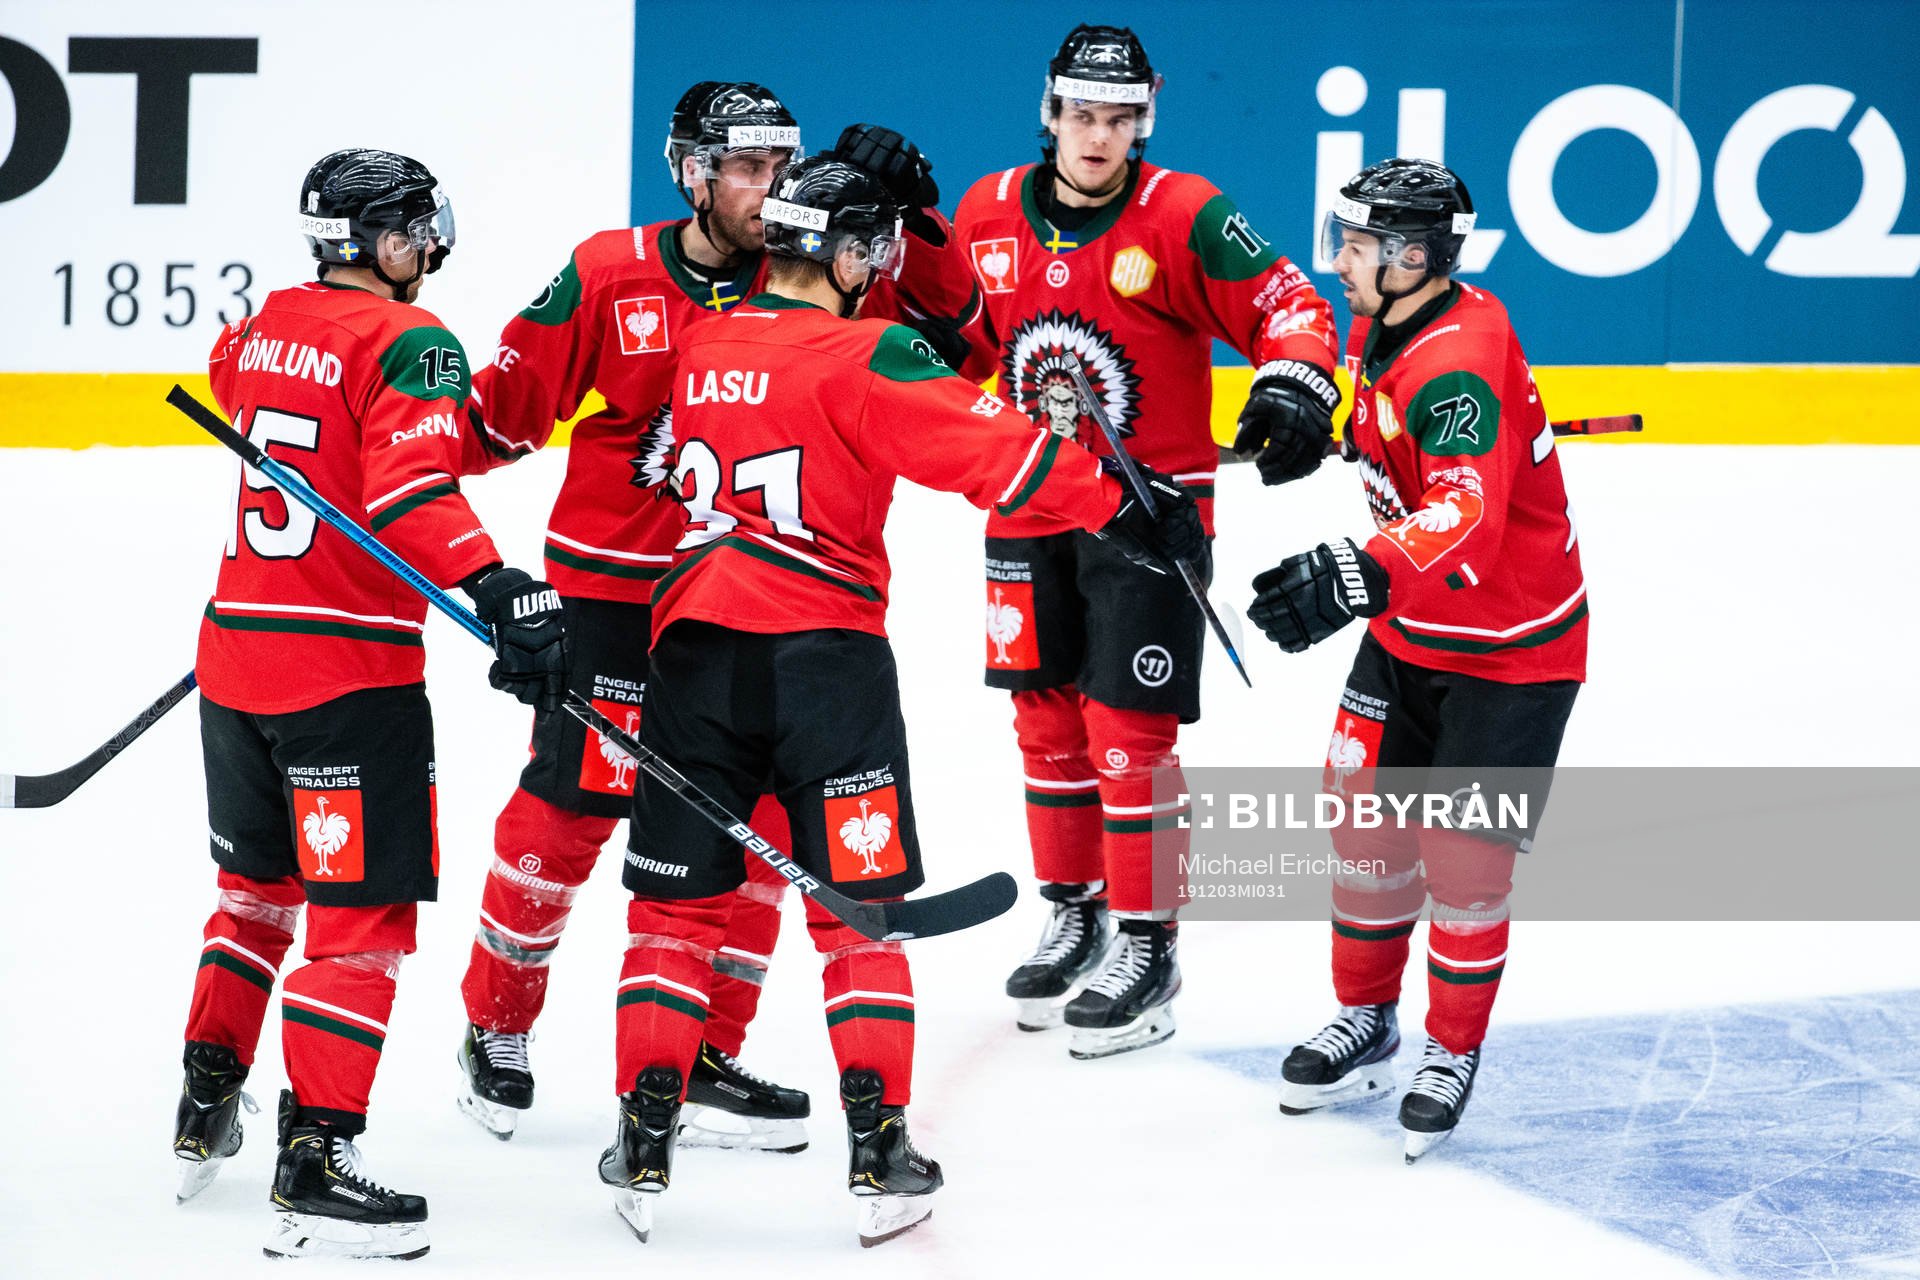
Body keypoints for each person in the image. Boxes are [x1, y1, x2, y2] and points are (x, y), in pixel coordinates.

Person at [597, 156, 1203, 1248]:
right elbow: (998, 454)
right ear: (838, 250)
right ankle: (878, 1148)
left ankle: (643, 1127)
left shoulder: (706, 339)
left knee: (673, 915)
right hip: (823, 666)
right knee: (858, 919)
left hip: (690, 656)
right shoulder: (871, 350)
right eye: (870, 246)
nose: (881, 264)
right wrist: (1128, 500)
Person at [451, 82, 973, 1147]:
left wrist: (927, 231)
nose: (766, 187)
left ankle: (695, 1055)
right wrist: (374, 454)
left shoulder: (828, 281)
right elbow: (495, 420)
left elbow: (967, 358)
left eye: (779, 165)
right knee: (573, 806)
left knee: (764, 835)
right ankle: (495, 1024)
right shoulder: (610, 274)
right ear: (689, 170)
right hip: (614, 592)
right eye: (743, 166)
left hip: (763, 609)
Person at [173, 148, 567, 1259]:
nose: (432, 245)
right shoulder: (412, 340)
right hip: (346, 680)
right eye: (417, 227)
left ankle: (206, 1102)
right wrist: (502, 586)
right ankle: (317, 1157)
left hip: (238, 654)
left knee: (253, 894)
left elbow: (247, 383)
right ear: (382, 238)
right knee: (358, 923)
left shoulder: (259, 325)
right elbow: (406, 495)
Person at [951, 23, 1339, 1058]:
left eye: (1120, 117)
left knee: (1129, 734)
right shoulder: (985, 211)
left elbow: (1290, 302)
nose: (1099, 134)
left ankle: (1148, 940)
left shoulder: (1185, 213)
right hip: (1027, 503)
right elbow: (956, 336)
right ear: (1051, 111)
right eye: (1083, 113)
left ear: (1144, 118)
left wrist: (1295, 380)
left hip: (1146, 516)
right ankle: (1075, 907)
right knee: (1045, 721)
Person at [1246, 158, 1587, 1161]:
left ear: (1408, 256)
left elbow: (1468, 518)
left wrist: (1356, 571)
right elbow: (1402, 443)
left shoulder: (1459, 359)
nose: (1337, 263)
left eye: (1353, 246)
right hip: (1412, 631)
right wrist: (1323, 427)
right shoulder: (1392, 320)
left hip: (1512, 651)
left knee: (1465, 863)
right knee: (1363, 820)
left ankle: (1451, 1045)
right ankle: (1367, 1017)